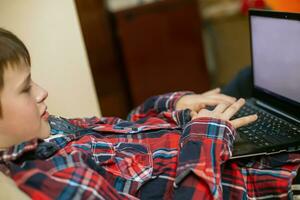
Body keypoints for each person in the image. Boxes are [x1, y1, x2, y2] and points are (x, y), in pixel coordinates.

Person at [0, 28, 299, 200]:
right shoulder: (53, 178)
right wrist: (207, 138)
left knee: (256, 80)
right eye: (26, 89)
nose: (42, 92)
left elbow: (125, 127)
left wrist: (173, 104)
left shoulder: (50, 129)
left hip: (199, 133)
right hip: (257, 171)